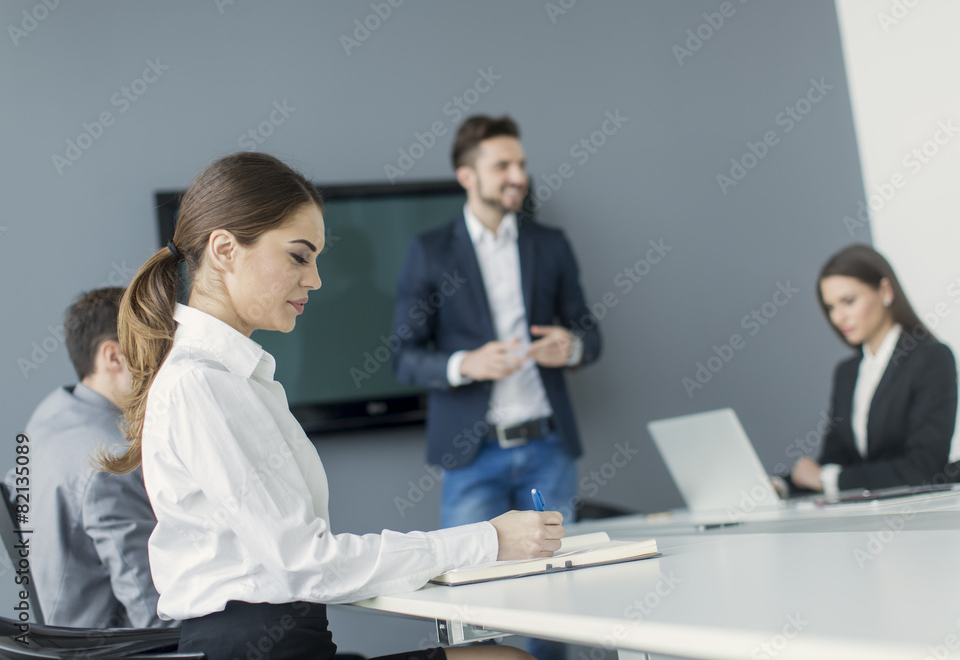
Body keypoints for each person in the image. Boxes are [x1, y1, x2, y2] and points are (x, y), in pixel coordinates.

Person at [96, 151, 560, 660]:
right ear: (225, 249)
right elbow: (307, 562)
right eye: (299, 256)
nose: (314, 279)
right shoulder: (203, 385)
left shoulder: (226, 378)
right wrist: (488, 539)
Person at [391, 115, 601, 529]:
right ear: (466, 175)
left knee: (559, 572)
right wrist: (463, 364)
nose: (518, 177)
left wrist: (571, 347)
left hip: (549, 448)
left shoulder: (550, 244)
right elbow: (404, 357)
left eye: (520, 165)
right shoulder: (430, 252)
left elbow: (590, 334)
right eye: (502, 166)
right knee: (473, 579)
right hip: (472, 454)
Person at [4, 287, 171, 628]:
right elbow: (154, 616)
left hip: (54, 631)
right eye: (159, 347)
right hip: (106, 647)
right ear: (113, 356)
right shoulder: (112, 461)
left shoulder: (52, 414)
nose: (167, 364)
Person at [790, 244, 958, 495]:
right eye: (830, 307)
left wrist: (828, 479)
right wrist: (785, 485)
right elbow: (835, 461)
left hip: (916, 515)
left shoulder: (931, 358)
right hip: (863, 515)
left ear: (885, 291)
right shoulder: (847, 372)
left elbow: (923, 468)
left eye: (848, 301)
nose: (838, 318)